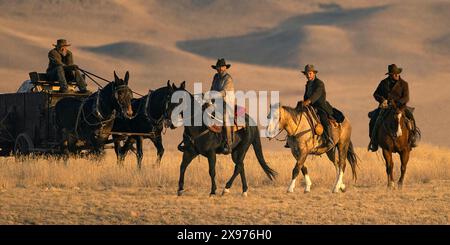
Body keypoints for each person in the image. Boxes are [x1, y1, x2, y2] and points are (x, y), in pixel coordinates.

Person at [368, 64, 418, 151]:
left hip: (400, 107)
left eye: (397, 73)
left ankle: (412, 139)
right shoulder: (383, 83)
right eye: (394, 73)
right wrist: (382, 100)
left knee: (411, 118)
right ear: (390, 74)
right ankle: (374, 142)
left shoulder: (404, 84)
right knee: (373, 120)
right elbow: (375, 94)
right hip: (385, 107)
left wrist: (397, 103)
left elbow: (406, 97)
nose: (396, 75)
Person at [286, 64, 335, 149]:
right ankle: (291, 139)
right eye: (307, 74)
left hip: (320, 106)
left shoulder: (319, 83)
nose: (308, 76)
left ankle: (329, 139)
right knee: (296, 116)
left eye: (310, 73)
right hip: (309, 107)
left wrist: (307, 102)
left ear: (314, 73)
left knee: (323, 118)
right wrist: (302, 103)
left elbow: (316, 95)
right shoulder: (308, 84)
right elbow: (306, 96)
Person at [210, 58, 235, 155]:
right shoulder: (215, 77)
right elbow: (212, 88)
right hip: (216, 102)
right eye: (218, 67)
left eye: (221, 67)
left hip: (226, 103)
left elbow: (224, 92)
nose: (220, 69)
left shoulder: (228, 78)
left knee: (225, 118)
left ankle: (229, 144)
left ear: (225, 68)